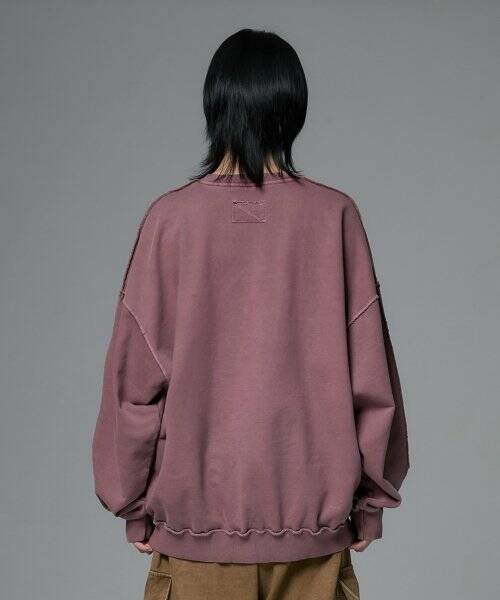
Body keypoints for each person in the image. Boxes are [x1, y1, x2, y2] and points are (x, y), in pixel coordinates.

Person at [92, 28, 409, 600]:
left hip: (196, 545)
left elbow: (134, 386)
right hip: (313, 545)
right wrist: (370, 503)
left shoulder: (170, 221)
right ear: (294, 109)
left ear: (214, 107)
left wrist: (133, 505)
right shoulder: (334, 217)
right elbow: (372, 380)